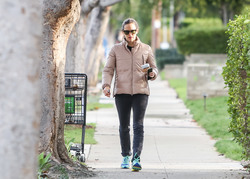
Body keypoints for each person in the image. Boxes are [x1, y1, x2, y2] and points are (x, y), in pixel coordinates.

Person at [102, 18, 158, 171]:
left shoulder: (146, 49)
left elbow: (154, 69)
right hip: (122, 92)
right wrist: (106, 85)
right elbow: (108, 70)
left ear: (137, 31)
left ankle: (136, 158)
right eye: (127, 32)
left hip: (141, 92)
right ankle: (126, 155)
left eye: (132, 31)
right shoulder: (115, 50)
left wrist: (152, 74)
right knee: (124, 126)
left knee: (138, 126)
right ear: (123, 33)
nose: (130, 34)